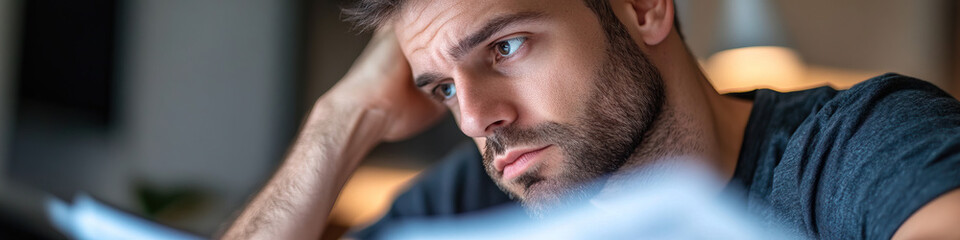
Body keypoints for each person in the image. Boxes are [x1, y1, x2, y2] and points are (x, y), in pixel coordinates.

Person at [220, 0, 960, 239]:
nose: (478, 119)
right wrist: (340, 117)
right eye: (442, 88)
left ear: (642, 8)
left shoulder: (857, 146)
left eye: (505, 47)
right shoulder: (470, 204)